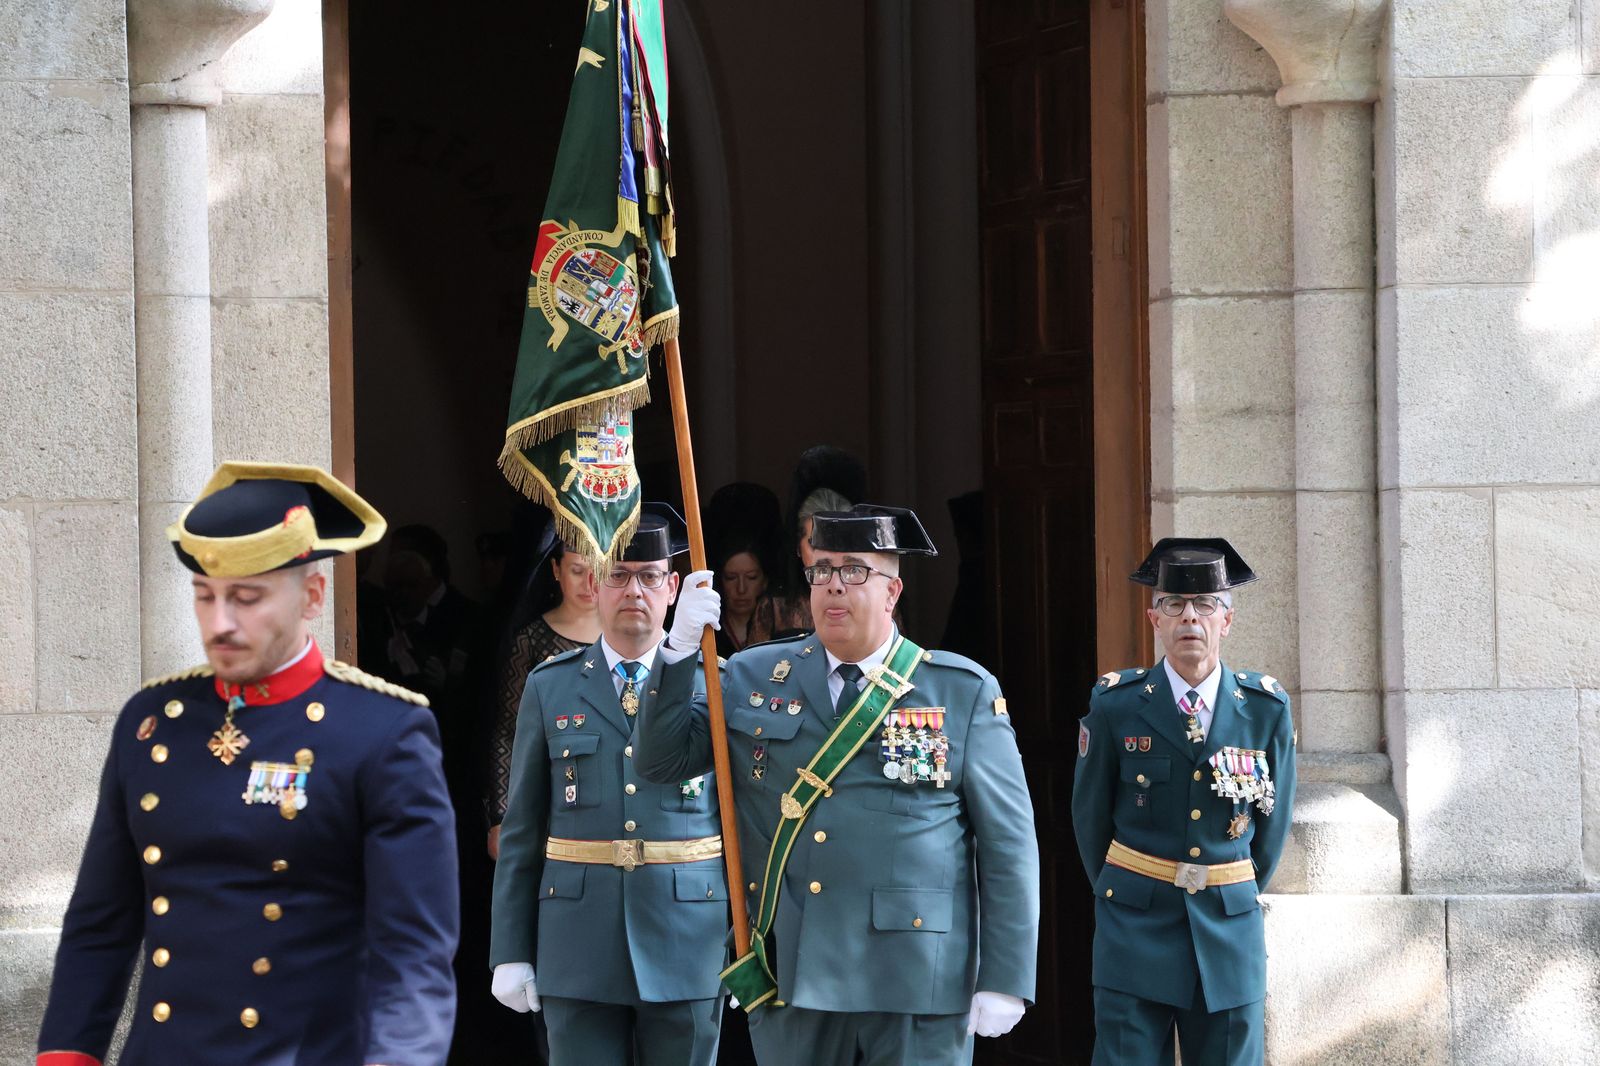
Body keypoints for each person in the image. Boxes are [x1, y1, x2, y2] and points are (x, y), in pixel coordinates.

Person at [35, 462, 458, 1066]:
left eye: (247, 598)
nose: (220, 623)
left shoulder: (382, 731)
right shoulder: (153, 720)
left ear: (312, 595)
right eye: (206, 597)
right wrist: (67, 1056)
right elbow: (100, 924)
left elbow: (412, 956)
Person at [638, 503, 1039, 1066]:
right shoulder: (753, 675)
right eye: (820, 570)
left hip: (915, 978)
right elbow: (660, 764)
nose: (832, 586)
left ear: (892, 592)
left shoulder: (959, 691)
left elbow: (1008, 846)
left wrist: (1006, 975)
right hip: (795, 972)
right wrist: (676, 653)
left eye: (854, 571)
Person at [490, 504, 727, 1066]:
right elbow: (523, 827)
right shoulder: (550, 687)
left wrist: (747, 939)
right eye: (618, 575)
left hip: (690, 934)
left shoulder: (716, 683)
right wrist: (510, 948)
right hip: (578, 941)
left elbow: (746, 820)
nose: (633, 591)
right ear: (593, 585)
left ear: (673, 588)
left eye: (648, 577)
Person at [1070, 538, 1297, 1066]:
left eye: (1205, 605)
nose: (1189, 617)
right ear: (1154, 619)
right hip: (1135, 929)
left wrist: (1227, 886)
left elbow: (1271, 828)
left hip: (1227, 929)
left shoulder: (1264, 709)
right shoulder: (1116, 707)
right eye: (1174, 605)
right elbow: (1090, 821)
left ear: (1227, 620)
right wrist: (1127, 889)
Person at [487, 526, 602, 859]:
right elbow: (508, 731)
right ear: (556, 570)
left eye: (598, 570)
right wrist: (501, 815)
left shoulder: (627, 636)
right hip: (550, 791)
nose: (589, 584)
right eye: (577, 571)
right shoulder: (531, 640)